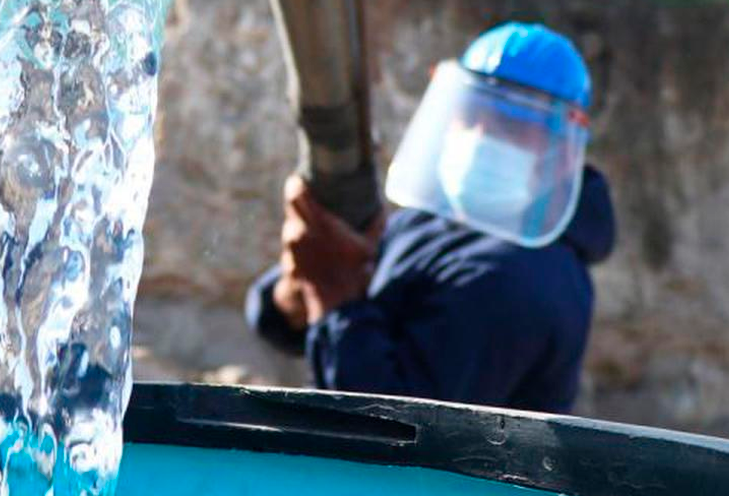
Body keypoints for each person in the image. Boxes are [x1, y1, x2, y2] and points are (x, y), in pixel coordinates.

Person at [246, 23, 616, 414]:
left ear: (562, 154)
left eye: (511, 124)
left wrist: (332, 297)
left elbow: (391, 431)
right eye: (471, 113)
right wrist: (296, 289)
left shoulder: (527, 279)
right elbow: (278, 320)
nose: (479, 135)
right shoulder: (432, 221)